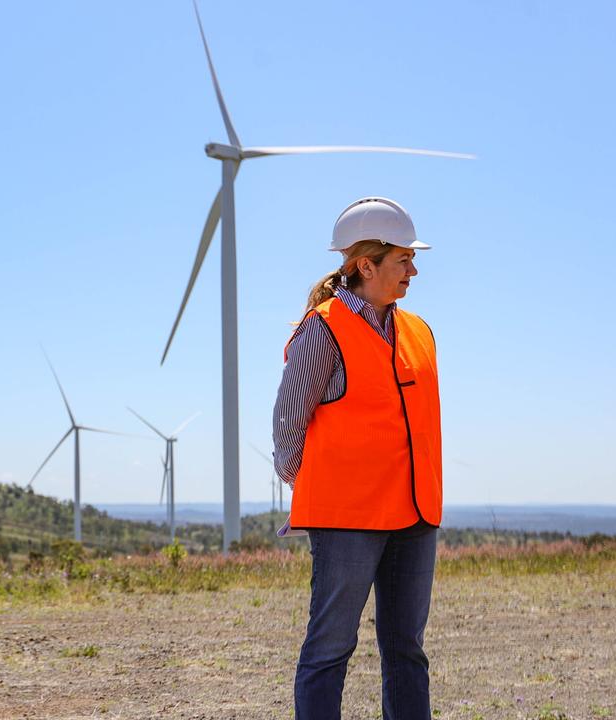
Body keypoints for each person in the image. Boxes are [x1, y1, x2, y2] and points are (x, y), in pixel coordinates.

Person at [272, 197, 443, 720]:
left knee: (407, 651)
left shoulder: (419, 330)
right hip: (347, 520)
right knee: (330, 652)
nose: (413, 269)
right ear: (366, 265)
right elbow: (287, 425)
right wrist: (322, 486)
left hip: (414, 515)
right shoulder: (323, 330)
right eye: (403, 260)